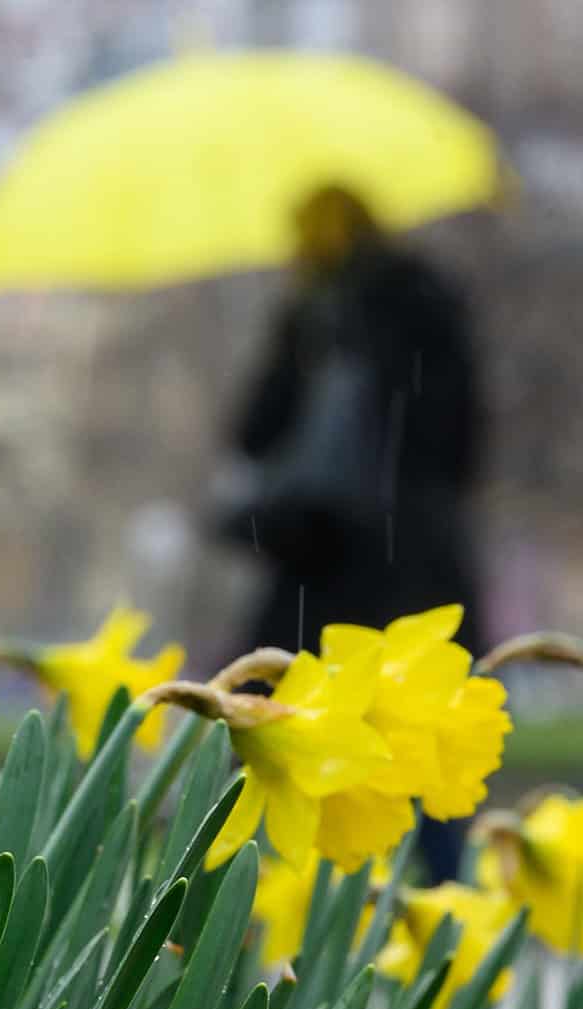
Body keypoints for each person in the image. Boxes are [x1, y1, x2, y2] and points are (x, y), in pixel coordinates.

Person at [211, 184, 484, 881]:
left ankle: (284, 919)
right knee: (422, 751)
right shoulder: (429, 305)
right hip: (407, 557)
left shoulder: (318, 316)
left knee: (299, 736)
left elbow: (252, 432)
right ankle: (444, 914)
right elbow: (463, 443)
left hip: (326, 559)